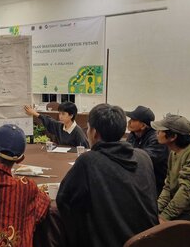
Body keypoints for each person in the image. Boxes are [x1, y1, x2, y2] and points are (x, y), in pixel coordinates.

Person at [56, 103, 158, 247]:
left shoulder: (89, 160)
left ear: (94, 132)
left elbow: (63, 200)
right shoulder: (143, 157)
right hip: (149, 239)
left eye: (88, 128)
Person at [126, 105, 169, 195]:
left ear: (143, 126)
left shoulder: (157, 139)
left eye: (133, 120)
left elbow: (143, 160)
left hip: (155, 184)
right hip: (138, 178)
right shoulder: (133, 135)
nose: (129, 122)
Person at [24, 101, 88, 147]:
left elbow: (85, 149)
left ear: (71, 115)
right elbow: (48, 120)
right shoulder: (60, 126)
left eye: (63, 114)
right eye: (59, 113)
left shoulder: (77, 131)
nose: (60, 116)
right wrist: (34, 113)